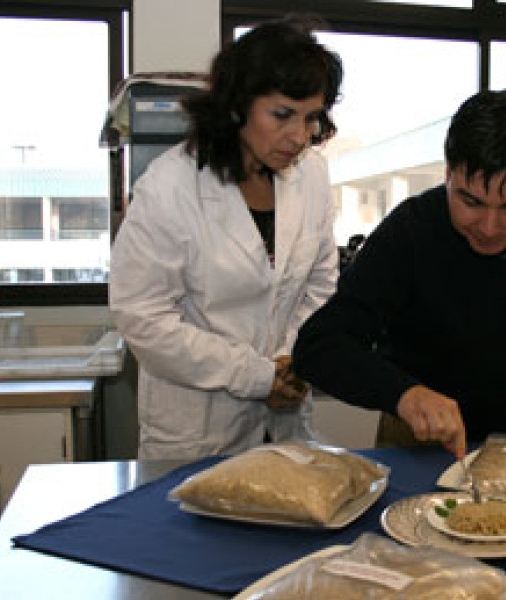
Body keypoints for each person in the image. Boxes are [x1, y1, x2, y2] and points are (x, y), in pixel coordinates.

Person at [292, 90, 506, 459]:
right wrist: (403, 394)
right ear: (448, 175)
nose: (489, 227)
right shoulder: (410, 232)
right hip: (416, 441)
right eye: (471, 202)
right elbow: (319, 347)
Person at [109, 16, 343, 459]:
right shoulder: (170, 186)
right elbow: (143, 317)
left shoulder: (311, 174)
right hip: (199, 430)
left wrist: (292, 363)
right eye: (282, 115)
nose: (299, 136)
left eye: (311, 118)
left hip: (286, 419)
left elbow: (320, 284)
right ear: (237, 105)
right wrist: (256, 376)